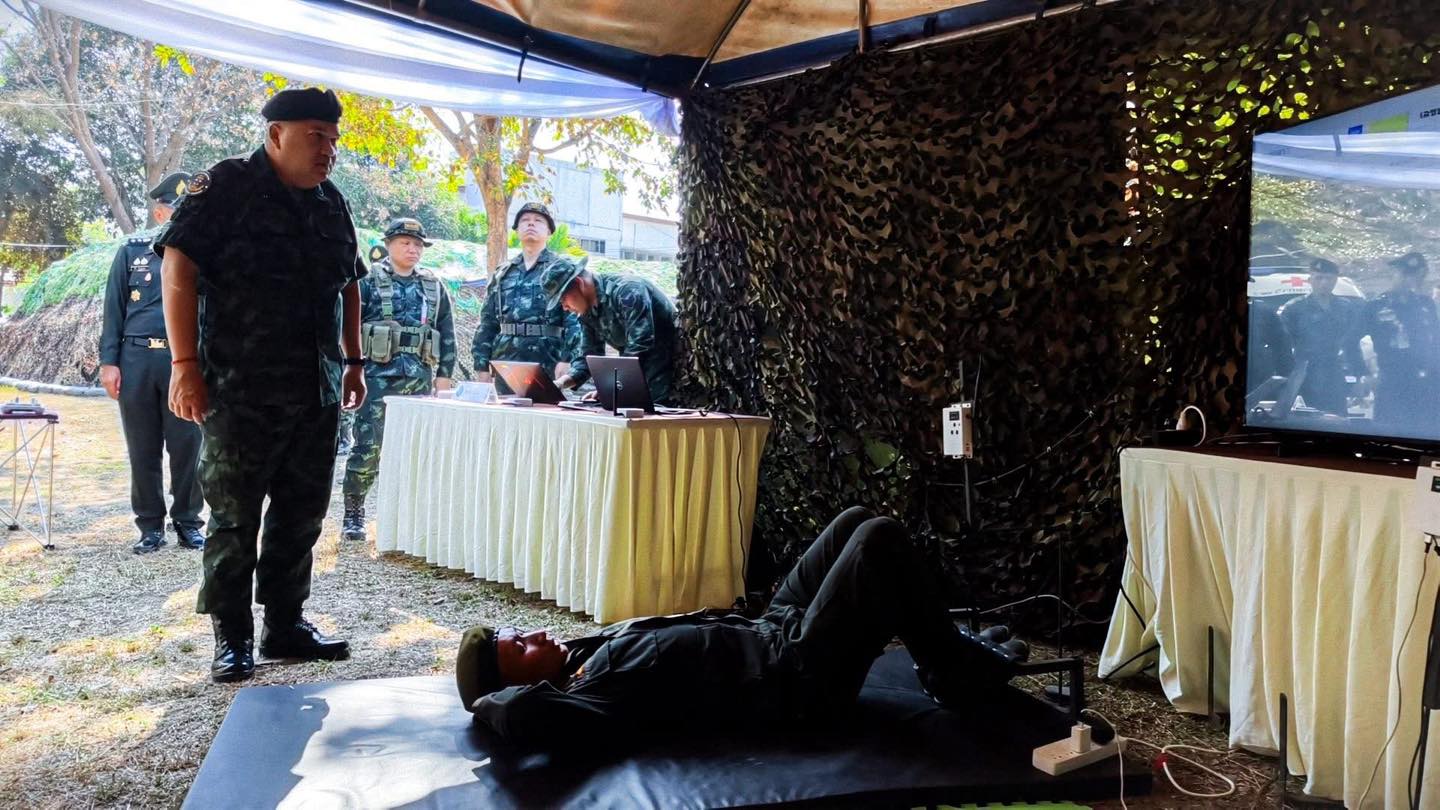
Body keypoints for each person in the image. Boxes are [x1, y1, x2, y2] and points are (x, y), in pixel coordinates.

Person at [455, 507, 1020, 749]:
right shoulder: (588, 698)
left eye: (521, 632)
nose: (537, 636)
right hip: (796, 676)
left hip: (768, 629)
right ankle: (950, 670)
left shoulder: (581, 656)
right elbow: (521, 714)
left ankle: (944, 652)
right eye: (521, 648)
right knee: (879, 540)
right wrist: (483, 700)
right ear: (521, 684)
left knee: (854, 521)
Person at [155, 87, 366, 683]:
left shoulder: (331, 201)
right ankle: (232, 635)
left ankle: (285, 624)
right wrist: (184, 364)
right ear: (276, 134)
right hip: (239, 388)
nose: (328, 150)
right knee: (234, 515)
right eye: (315, 137)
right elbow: (177, 264)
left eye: (333, 140)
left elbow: (350, 282)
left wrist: (353, 361)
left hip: (316, 388)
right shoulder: (227, 186)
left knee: (302, 512)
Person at [98, 172, 205, 555]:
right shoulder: (132, 252)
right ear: (160, 214)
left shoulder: (205, 253)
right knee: (142, 448)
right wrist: (109, 363)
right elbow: (113, 310)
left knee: (187, 447)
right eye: (177, 210)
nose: (184, 217)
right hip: (137, 359)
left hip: (183, 363)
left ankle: (188, 522)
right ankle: (149, 526)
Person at [341, 217, 456, 542]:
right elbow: (349, 327)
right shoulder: (368, 282)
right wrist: (351, 368)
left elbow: (446, 332)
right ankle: (354, 512)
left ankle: (405, 518)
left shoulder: (433, 286)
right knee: (368, 447)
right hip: (376, 380)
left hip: (418, 381)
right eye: (405, 242)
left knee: (414, 451)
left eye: (418, 244)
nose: (413, 249)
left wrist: (444, 376)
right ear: (389, 244)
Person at [470, 202, 577, 391]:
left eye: (538, 221)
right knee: (505, 410)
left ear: (549, 231)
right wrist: (481, 365)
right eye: (525, 220)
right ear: (517, 230)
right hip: (506, 362)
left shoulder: (561, 269)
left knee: (546, 409)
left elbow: (574, 319)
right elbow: (487, 322)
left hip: (548, 360)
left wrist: (567, 358)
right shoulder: (503, 273)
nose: (531, 224)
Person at [543, 263, 679, 405]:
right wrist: (560, 383)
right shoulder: (587, 311)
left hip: (672, 376)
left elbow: (640, 345)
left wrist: (611, 387)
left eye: (563, 299)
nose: (564, 307)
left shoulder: (628, 290)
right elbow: (588, 357)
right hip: (641, 379)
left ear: (579, 283)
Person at [1352, 252, 1440, 433]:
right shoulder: (1376, 307)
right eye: (1405, 274)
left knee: (1427, 433)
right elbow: (1350, 341)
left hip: (1427, 383)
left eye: (1415, 275)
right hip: (1393, 381)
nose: (1410, 280)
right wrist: (1362, 374)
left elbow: (1435, 341)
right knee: (1390, 433)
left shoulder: (1426, 305)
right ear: (1395, 274)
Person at [1277, 257, 1365, 416]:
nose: (1324, 283)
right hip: (1304, 375)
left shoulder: (1346, 308)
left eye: (1329, 278)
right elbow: (1282, 347)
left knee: (1337, 420)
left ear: (1335, 280)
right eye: (1319, 278)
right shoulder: (1294, 308)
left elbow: (1352, 344)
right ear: (1310, 280)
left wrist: (1360, 376)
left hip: (1335, 373)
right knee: (1305, 421)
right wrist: (1286, 377)